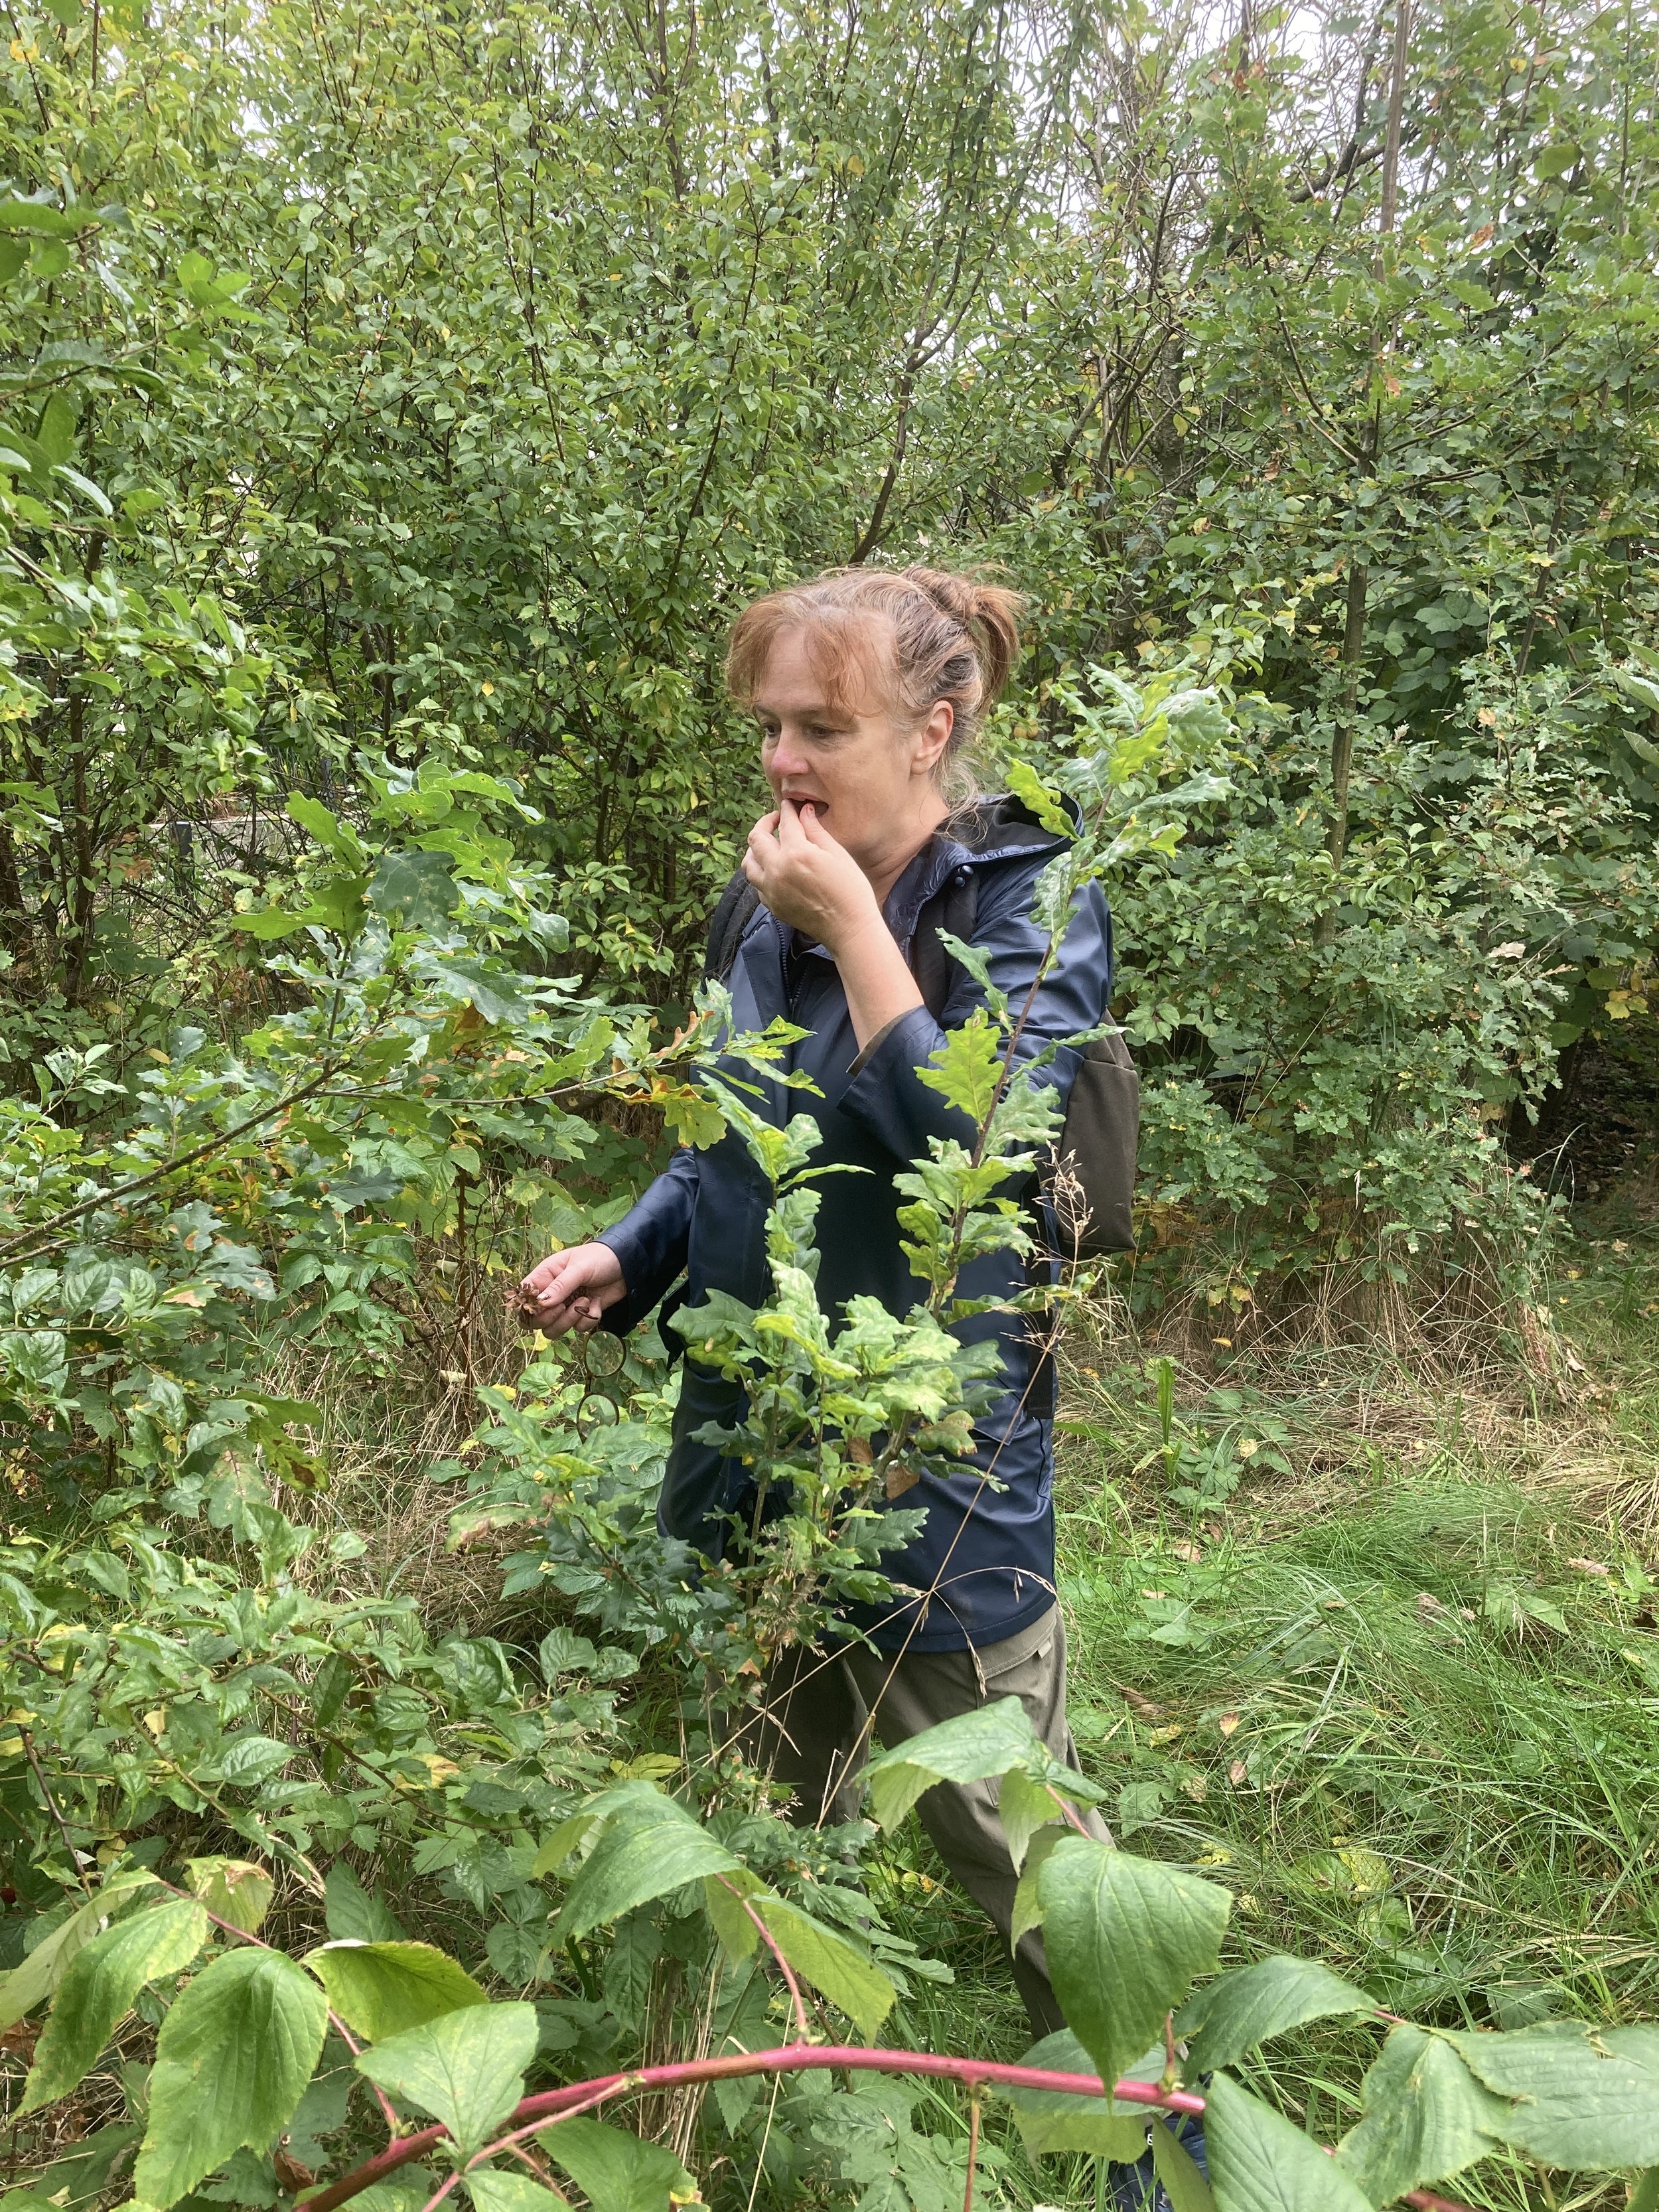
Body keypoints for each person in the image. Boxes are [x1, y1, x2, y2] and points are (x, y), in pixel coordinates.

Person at [518, 565, 1112, 2035]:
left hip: (933, 1472)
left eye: (820, 728)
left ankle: (1153, 2136)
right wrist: (633, 1245)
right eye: (768, 728)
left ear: (934, 722)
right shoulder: (762, 892)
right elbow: (728, 1128)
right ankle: (750, 2091)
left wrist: (857, 930)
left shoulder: (1030, 908)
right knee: (750, 1805)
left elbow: (988, 1163)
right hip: (755, 1444)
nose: (782, 763)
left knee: (1012, 1839)